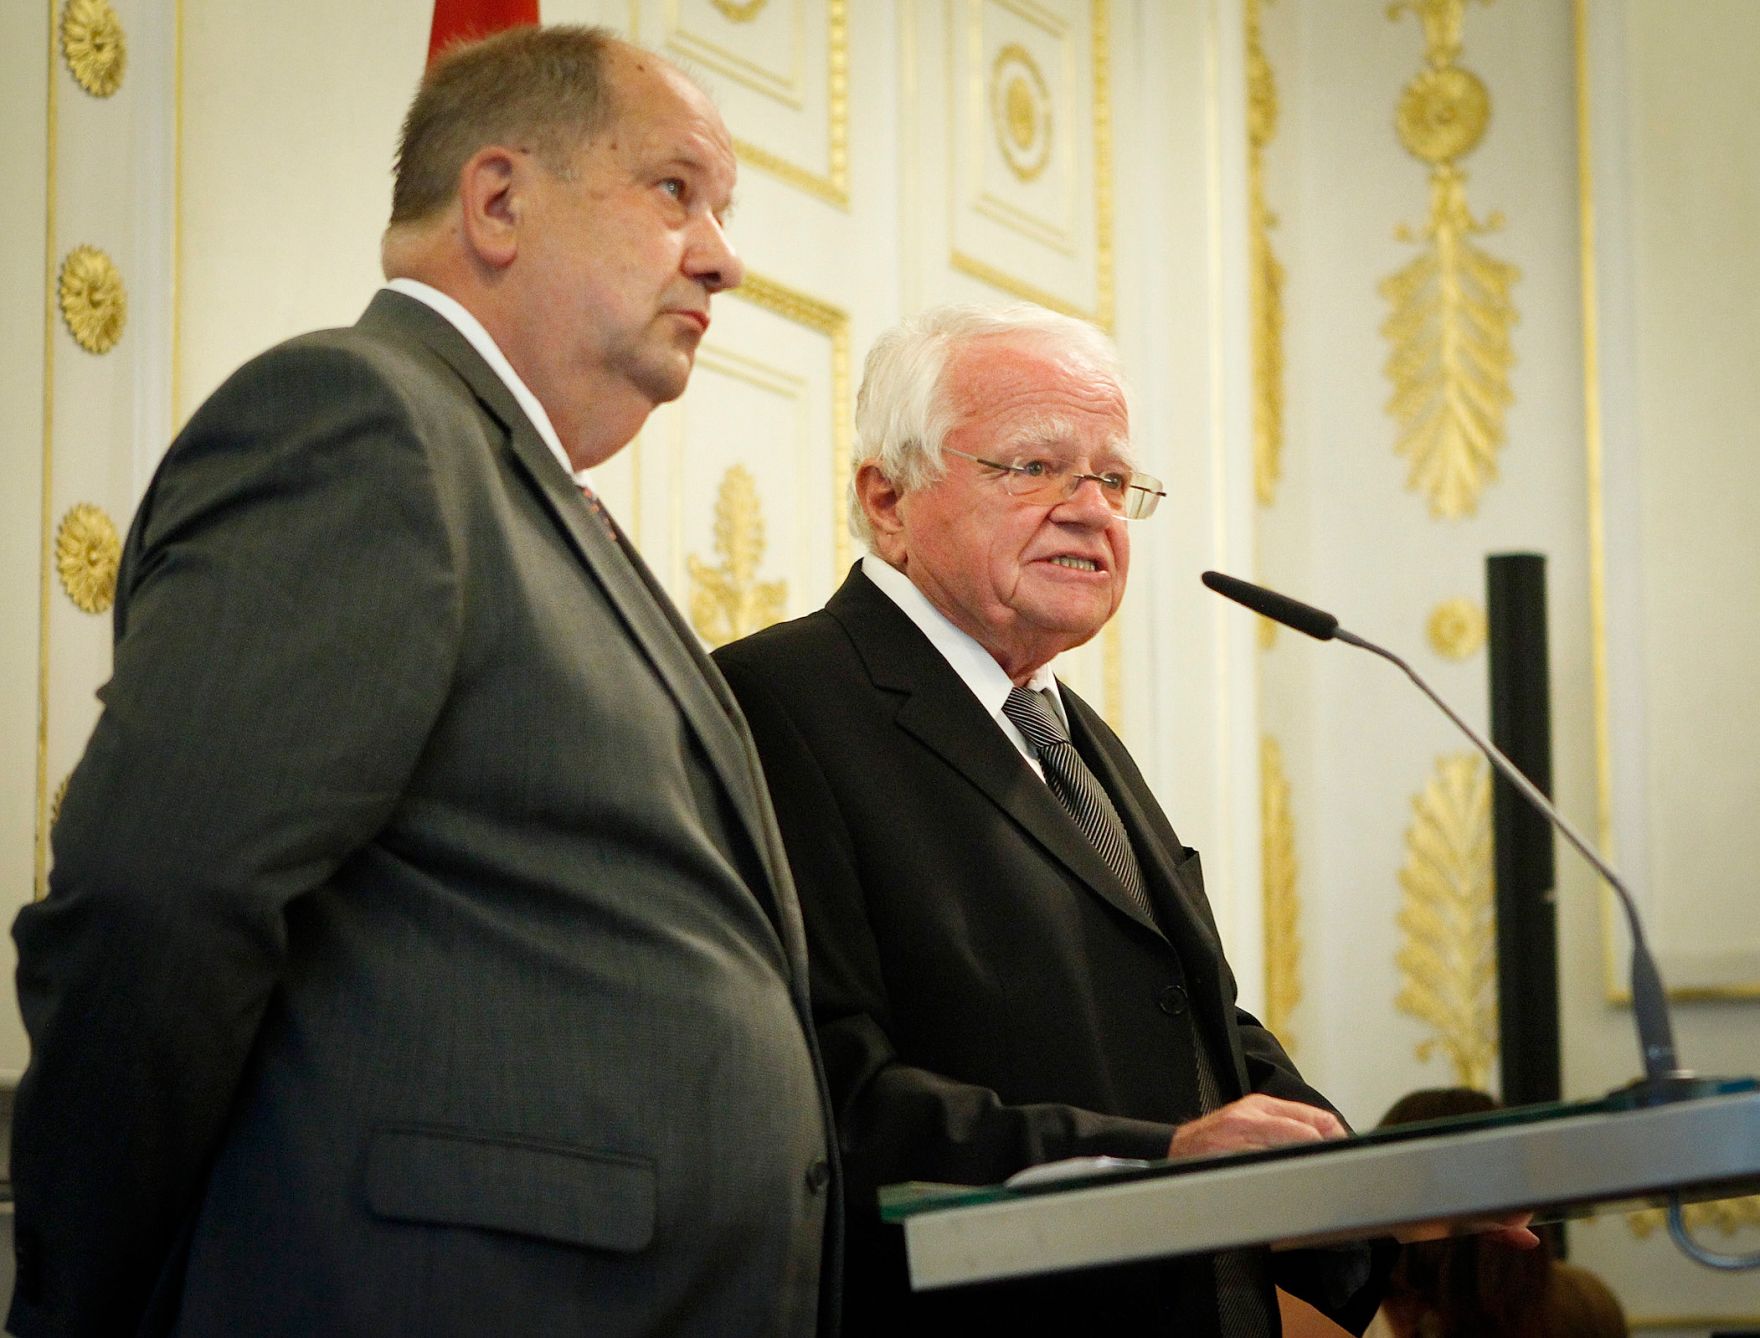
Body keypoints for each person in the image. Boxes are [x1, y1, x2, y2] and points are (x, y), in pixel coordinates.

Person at [9, 26, 837, 1338]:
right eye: (675, 190)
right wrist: (89, 1297)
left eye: (721, 211)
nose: (723, 258)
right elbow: (155, 896)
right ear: (497, 202)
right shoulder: (359, 418)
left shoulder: (522, 489)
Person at [713, 303, 1391, 1336]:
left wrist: (1379, 1191)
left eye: (1114, 480)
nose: (1092, 511)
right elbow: (817, 1091)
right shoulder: (778, 701)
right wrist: (1158, 1161)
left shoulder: (1068, 729)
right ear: (887, 499)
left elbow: (1197, 1022)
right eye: (1033, 468)